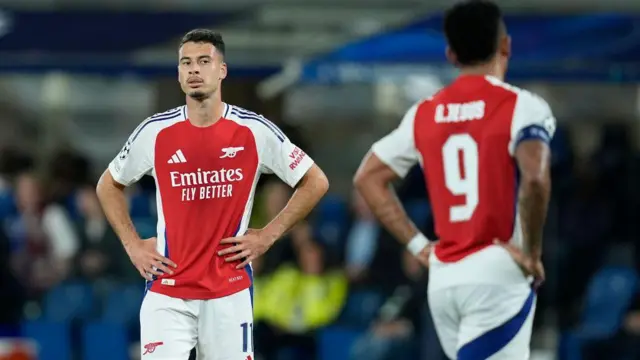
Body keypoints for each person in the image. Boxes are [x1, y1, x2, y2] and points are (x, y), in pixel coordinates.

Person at [96, 29, 329, 359]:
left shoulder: (253, 130)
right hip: (168, 292)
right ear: (178, 73)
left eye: (204, 61)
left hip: (228, 293)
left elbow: (315, 181)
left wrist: (267, 235)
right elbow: (108, 185)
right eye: (186, 63)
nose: (194, 70)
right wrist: (132, 244)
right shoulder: (155, 132)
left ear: (222, 70)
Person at [353, 1, 555, 359]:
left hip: (445, 277)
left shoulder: (424, 112)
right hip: (496, 270)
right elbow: (536, 180)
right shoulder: (523, 106)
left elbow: (368, 177)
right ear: (505, 45)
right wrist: (532, 252)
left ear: (450, 54)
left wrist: (418, 246)